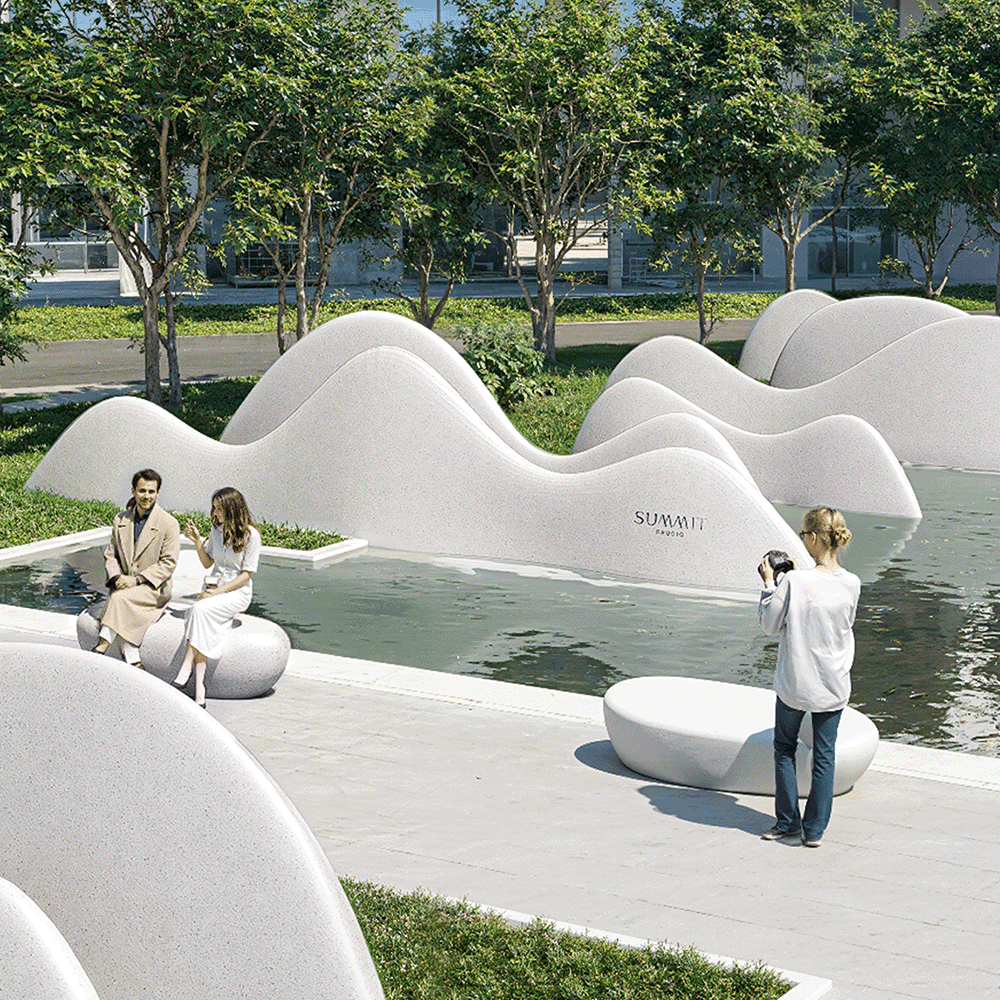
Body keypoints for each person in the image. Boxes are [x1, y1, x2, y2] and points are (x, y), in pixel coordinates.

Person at [757, 506, 861, 848]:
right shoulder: (852, 583)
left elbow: (770, 624)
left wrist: (770, 582)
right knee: (824, 755)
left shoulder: (794, 582)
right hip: (833, 682)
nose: (802, 540)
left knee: (784, 748)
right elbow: (837, 625)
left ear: (814, 537)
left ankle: (788, 824)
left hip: (796, 682)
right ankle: (814, 831)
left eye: (804, 534)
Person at [170, 487, 261, 708]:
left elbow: (246, 574)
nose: (216, 513)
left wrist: (217, 593)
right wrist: (197, 540)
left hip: (237, 593)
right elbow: (207, 563)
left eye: (220, 509)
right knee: (200, 616)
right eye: (214, 508)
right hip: (212, 589)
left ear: (232, 509)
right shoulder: (216, 531)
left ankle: (186, 666)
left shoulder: (251, 536)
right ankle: (199, 689)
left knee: (198, 610)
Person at [93, 469, 180, 670]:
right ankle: (133, 660)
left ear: (157, 493)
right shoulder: (120, 520)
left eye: (151, 491)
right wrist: (117, 577)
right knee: (120, 597)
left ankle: (101, 647)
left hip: (153, 588)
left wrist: (137, 580)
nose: (146, 496)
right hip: (124, 584)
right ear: (133, 491)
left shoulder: (169, 523)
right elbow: (111, 554)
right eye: (142, 491)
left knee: (117, 599)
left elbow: (168, 563)